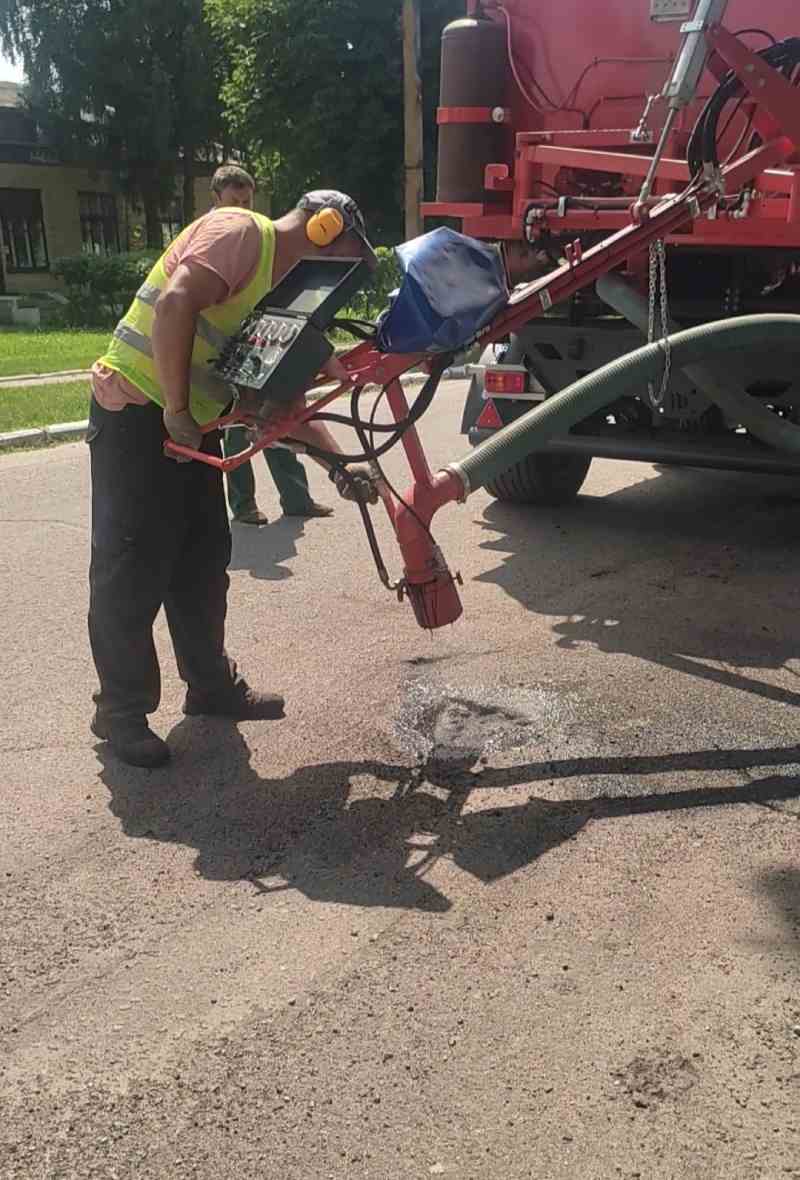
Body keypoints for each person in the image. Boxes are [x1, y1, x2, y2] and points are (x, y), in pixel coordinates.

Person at [87, 187, 378, 767]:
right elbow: (175, 304)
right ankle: (120, 713)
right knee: (132, 569)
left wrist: (339, 464)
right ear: (323, 227)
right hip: (138, 416)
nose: (341, 272)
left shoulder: (275, 296)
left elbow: (269, 407)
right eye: (347, 251)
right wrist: (175, 408)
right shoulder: (241, 232)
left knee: (201, 565)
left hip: (191, 428)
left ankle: (211, 689)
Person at [209, 165, 332, 524]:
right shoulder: (215, 235)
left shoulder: (256, 235)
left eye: (248, 201)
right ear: (216, 198)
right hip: (225, 349)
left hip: (258, 342)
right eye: (236, 201)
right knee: (236, 430)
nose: (244, 208)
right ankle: (244, 505)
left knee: (278, 418)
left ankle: (297, 499)